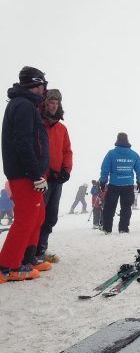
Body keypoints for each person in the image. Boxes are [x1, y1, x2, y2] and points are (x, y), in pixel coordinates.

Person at [0, 66, 50, 283]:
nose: (44, 90)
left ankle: (25, 258)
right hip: (24, 173)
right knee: (25, 218)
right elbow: (23, 142)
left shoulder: (25, 104)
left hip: (28, 172)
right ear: (36, 85)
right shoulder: (23, 106)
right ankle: (7, 266)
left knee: (36, 216)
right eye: (42, 85)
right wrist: (35, 173)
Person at [36, 89, 73, 262]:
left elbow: (67, 151)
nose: (53, 106)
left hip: (57, 179)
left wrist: (66, 170)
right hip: (41, 179)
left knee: (51, 216)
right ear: (45, 103)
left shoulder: (62, 128)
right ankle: (30, 251)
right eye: (51, 102)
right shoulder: (37, 124)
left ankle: (41, 249)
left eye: (56, 103)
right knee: (37, 216)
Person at [99, 132, 140, 233]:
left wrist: (103, 182)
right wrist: (139, 182)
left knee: (109, 208)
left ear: (117, 140)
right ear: (127, 140)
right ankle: (123, 228)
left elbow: (105, 169)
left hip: (114, 185)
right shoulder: (134, 154)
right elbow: (139, 169)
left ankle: (107, 228)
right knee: (126, 208)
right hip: (128, 185)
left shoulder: (111, 153)